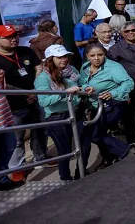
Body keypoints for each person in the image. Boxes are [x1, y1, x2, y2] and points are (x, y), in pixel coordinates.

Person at [0, 25, 47, 175]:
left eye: (15, 35)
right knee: (16, 139)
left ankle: (40, 158)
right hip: (12, 106)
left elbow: (39, 67)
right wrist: (26, 94)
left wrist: (35, 89)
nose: (13, 39)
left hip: (35, 97)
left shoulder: (25, 51)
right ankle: (17, 168)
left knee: (40, 130)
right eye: (7, 37)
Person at [80, 42, 135, 169]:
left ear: (105, 54)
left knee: (95, 134)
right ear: (87, 56)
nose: (96, 58)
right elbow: (81, 83)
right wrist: (86, 87)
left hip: (113, 103)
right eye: (92, 55)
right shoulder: (84, 67)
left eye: (100, 55)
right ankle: (109, 157)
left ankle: (125, 150)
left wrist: (113, 93)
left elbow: (128, 83)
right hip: (95, 105)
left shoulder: (113, 67)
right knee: (97, 134)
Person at [34, 45, 86, 181]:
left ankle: (81, 173)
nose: (64, 59)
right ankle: (65, 178)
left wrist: (86, 88)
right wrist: (63, 93)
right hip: (57, 117)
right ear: (51, 59)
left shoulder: (72, 69)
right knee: (65, 150)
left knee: (85, 143)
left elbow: (82, 83)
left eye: (65, 56)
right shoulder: (43, 78)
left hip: (77, 111)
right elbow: (44, 101)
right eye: (60, 57)